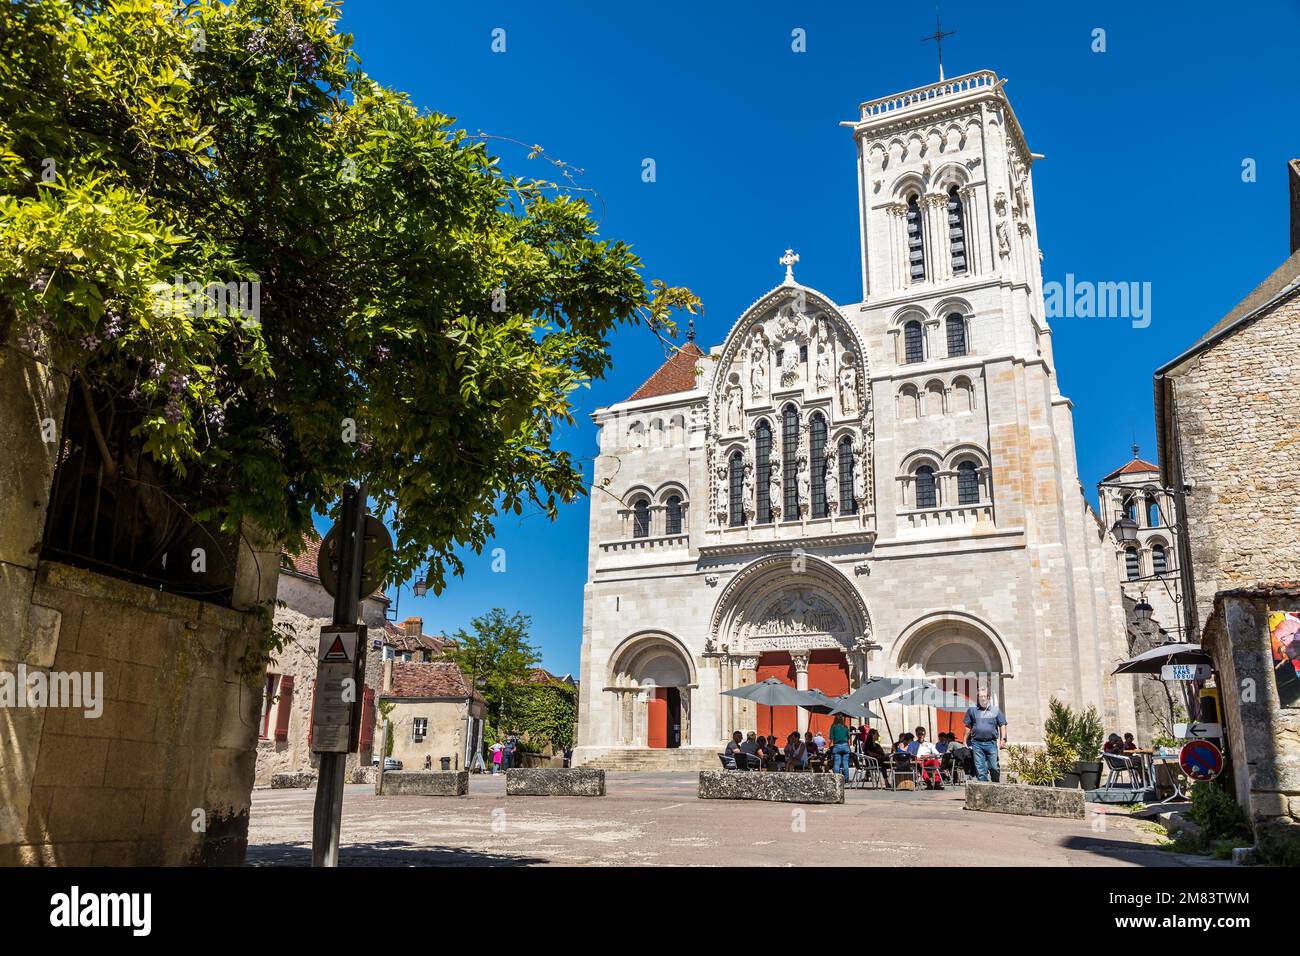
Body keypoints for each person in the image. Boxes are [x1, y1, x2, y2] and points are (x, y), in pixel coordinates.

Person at [963, 689, 1008, 782]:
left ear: (988, 698)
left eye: (984, 696)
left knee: (994, 767)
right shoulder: (972, 710)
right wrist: (964, 740)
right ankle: (984, 792)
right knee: (980, 770)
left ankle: (996, 786)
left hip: (991, 743)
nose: (983, 698)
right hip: (977, 743)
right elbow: (968, 726)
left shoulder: (995, 710)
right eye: (980, 696)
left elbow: (1002, 724)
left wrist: (1003, 739)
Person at [828, 715, 852, 780]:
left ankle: (837, 779)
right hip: (845, 746)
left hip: (837, 746)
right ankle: (846, 779)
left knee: (837, 763)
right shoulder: (845, 727)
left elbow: (831, 738)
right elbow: (849, 737)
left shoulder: (833, 727)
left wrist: (828, 746)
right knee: (845, 763)